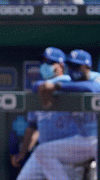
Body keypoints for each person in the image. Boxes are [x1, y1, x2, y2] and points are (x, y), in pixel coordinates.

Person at [16, 47, 81, 180]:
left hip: (68, 152)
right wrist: (23, 152)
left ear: (61, 65)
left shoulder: (69, 85)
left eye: (51, 62)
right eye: (43, 62)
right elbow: (32, 126)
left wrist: (51, 85)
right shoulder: (39, 90)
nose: (46, 66)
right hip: (43, 150)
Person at [33, 49, 98, 180]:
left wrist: (58, 87)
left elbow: (94, 88)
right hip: (83, 140)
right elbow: (37, 86)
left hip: (98, 139)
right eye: (70, 65)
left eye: (76, 66)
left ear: (88, 67)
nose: (73, 69)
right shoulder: (68, 82)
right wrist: (48, 85)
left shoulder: (95, 77)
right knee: (42, 152)